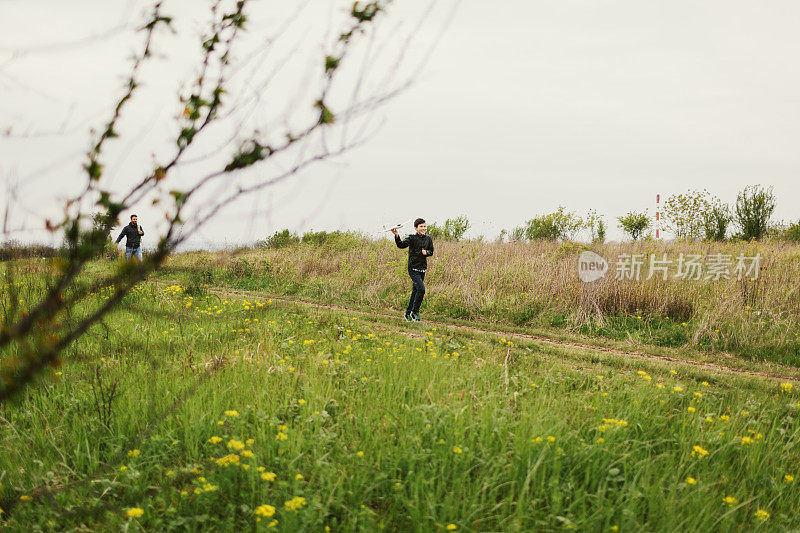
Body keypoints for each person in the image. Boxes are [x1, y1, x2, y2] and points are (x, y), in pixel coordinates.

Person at [392, 218, 434, 321]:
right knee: (421, 289)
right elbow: (400, 245)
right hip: (413, 268)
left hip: (422, 269)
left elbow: (431, 251)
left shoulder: (428, 239)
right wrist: (396, 234)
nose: (423, 228)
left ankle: (407, 313)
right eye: (421, 227)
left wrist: (426, 253)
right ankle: (415, 312)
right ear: (416, 228)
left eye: (424, 226)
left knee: (416, 291)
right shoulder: (412, 238)